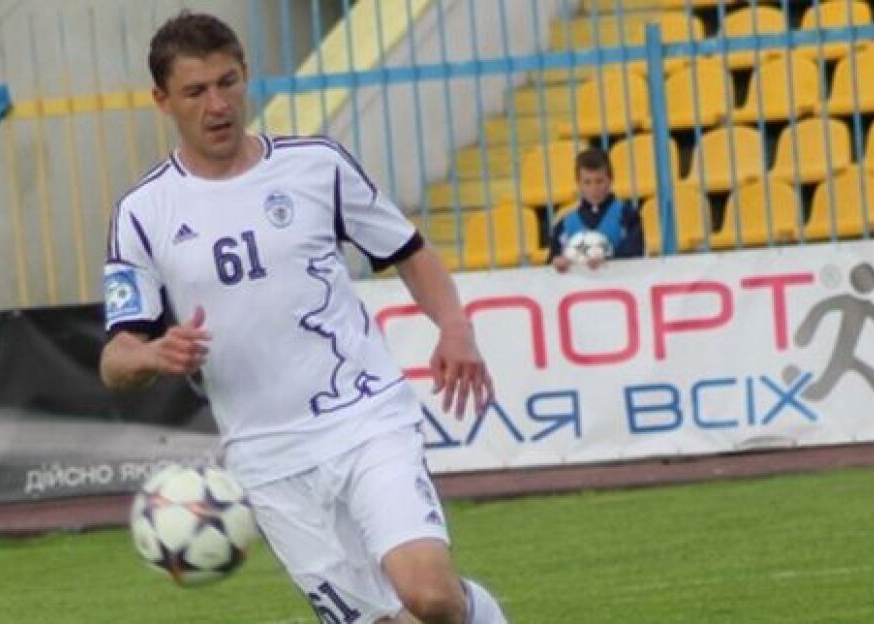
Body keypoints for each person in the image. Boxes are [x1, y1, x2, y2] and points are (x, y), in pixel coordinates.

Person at [100, 11, 507, 624]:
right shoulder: (143, 212)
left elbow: (408, 249)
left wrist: (454, 327)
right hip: (265, 456)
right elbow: (115, 358)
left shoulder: (317, 166)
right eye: (196, 91)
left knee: (429, 597)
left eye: (228, 82)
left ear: (245, 74)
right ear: (163, 100)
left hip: (364, 417)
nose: (218, 104)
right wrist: (152, 354)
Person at [547, 147, 643, 272]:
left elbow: (635, 252)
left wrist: (608, 260)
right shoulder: (565, 224)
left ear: (610, 180)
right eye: (587, 182)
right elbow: (551, 264)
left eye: (599, 181)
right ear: (578, 184)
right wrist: (558, 262)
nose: (594, 188)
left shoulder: (627, 215)